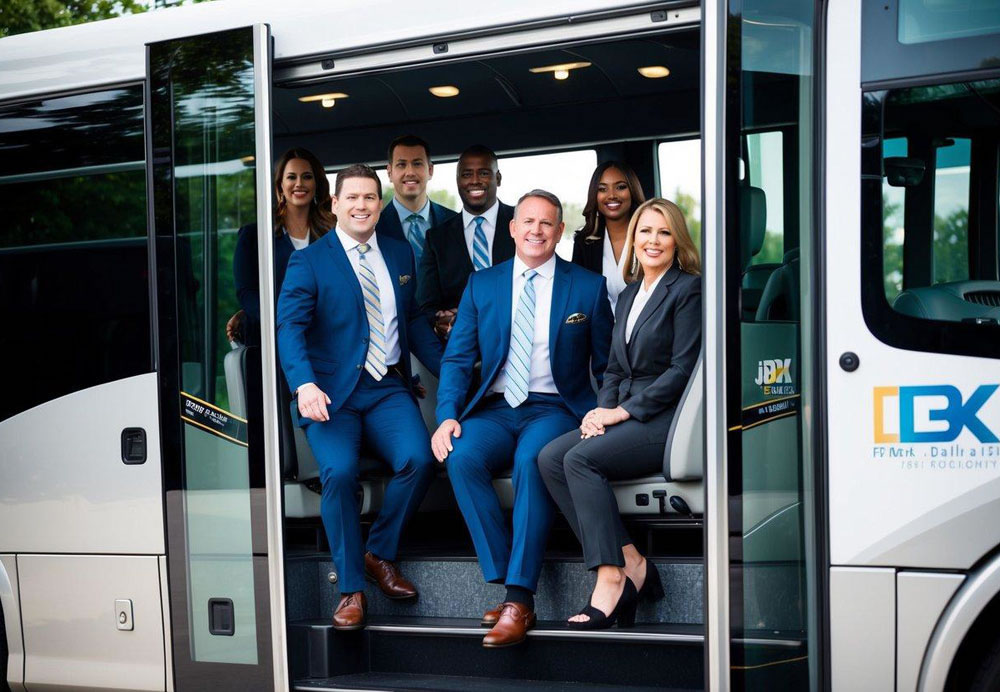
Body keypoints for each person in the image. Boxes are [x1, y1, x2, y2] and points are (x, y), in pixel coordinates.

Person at [431, 189, 614, 648]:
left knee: (534, 461)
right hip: (494, 407)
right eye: (527, 222)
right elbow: (457, 360)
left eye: (546, 223)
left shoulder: (586, 287)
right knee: (461, 457)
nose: (536, 230)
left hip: (554, 407)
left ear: (559, 232)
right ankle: (504, 572)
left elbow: (609, 365)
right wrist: (447, 416)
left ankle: (519, 598)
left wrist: (602, 411)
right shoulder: (484, 283)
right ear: (512, 229)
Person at [277, 164, 444, 631]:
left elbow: (410, 323)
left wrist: (451, 367)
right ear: (335, 204)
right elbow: (288, 326)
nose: (362, 206)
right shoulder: (310, 260)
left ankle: (379, 553)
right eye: (352, 198)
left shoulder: (398, 254)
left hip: (388, 387)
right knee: (339, 471)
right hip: (331, 393)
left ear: (379, 202)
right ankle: (351, 588)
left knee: (419, 458)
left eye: (370, 197)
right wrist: (304, 384)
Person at [538, 197, 702, 630]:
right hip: (626, 413)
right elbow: (613, 367)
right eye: (645, 231)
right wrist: (599, 411)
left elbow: (682, 370)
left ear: (676, 240)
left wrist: (622, 413)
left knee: (580, 458)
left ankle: (609, 578)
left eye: (664, 232)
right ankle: (632, 561)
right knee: (550, 458)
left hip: (663, 419)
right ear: (633, 238)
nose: (653, 240)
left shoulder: (687, 289)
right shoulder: (629, 294)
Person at [229, 147, 333, 346]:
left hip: (324, 340)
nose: (299, 184)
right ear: (280, 185)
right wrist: (283, 321)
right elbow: (246, 292)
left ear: (317, 184)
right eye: (291, 177)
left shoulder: (332, 234)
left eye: (307, 177)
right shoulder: (254, 236)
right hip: (272, 344)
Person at [417, 144, 516, 339]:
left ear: (498, 178)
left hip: (520, 342)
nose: (475, 181)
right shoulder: (437, 239)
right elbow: (426, 306)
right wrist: (439, 322)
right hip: (464, 350)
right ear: (457, 181)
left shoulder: (522, 223)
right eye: (466, 174)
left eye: (484, 173)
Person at [571, 161, 646, 311]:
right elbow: (579, 298)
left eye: (620, 187)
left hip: (648, 331)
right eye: (602, 189)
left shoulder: (650, 237)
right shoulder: (584, 242)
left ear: (633, 190)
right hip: (601, 332)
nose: (611, 195)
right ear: (595, 195)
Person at [375, 134, 458, 262]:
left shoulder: (456, 223)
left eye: (417, 164)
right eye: (401, 165)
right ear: (389, 173)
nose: (410, 172)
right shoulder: (374, 228)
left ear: (430, 170)